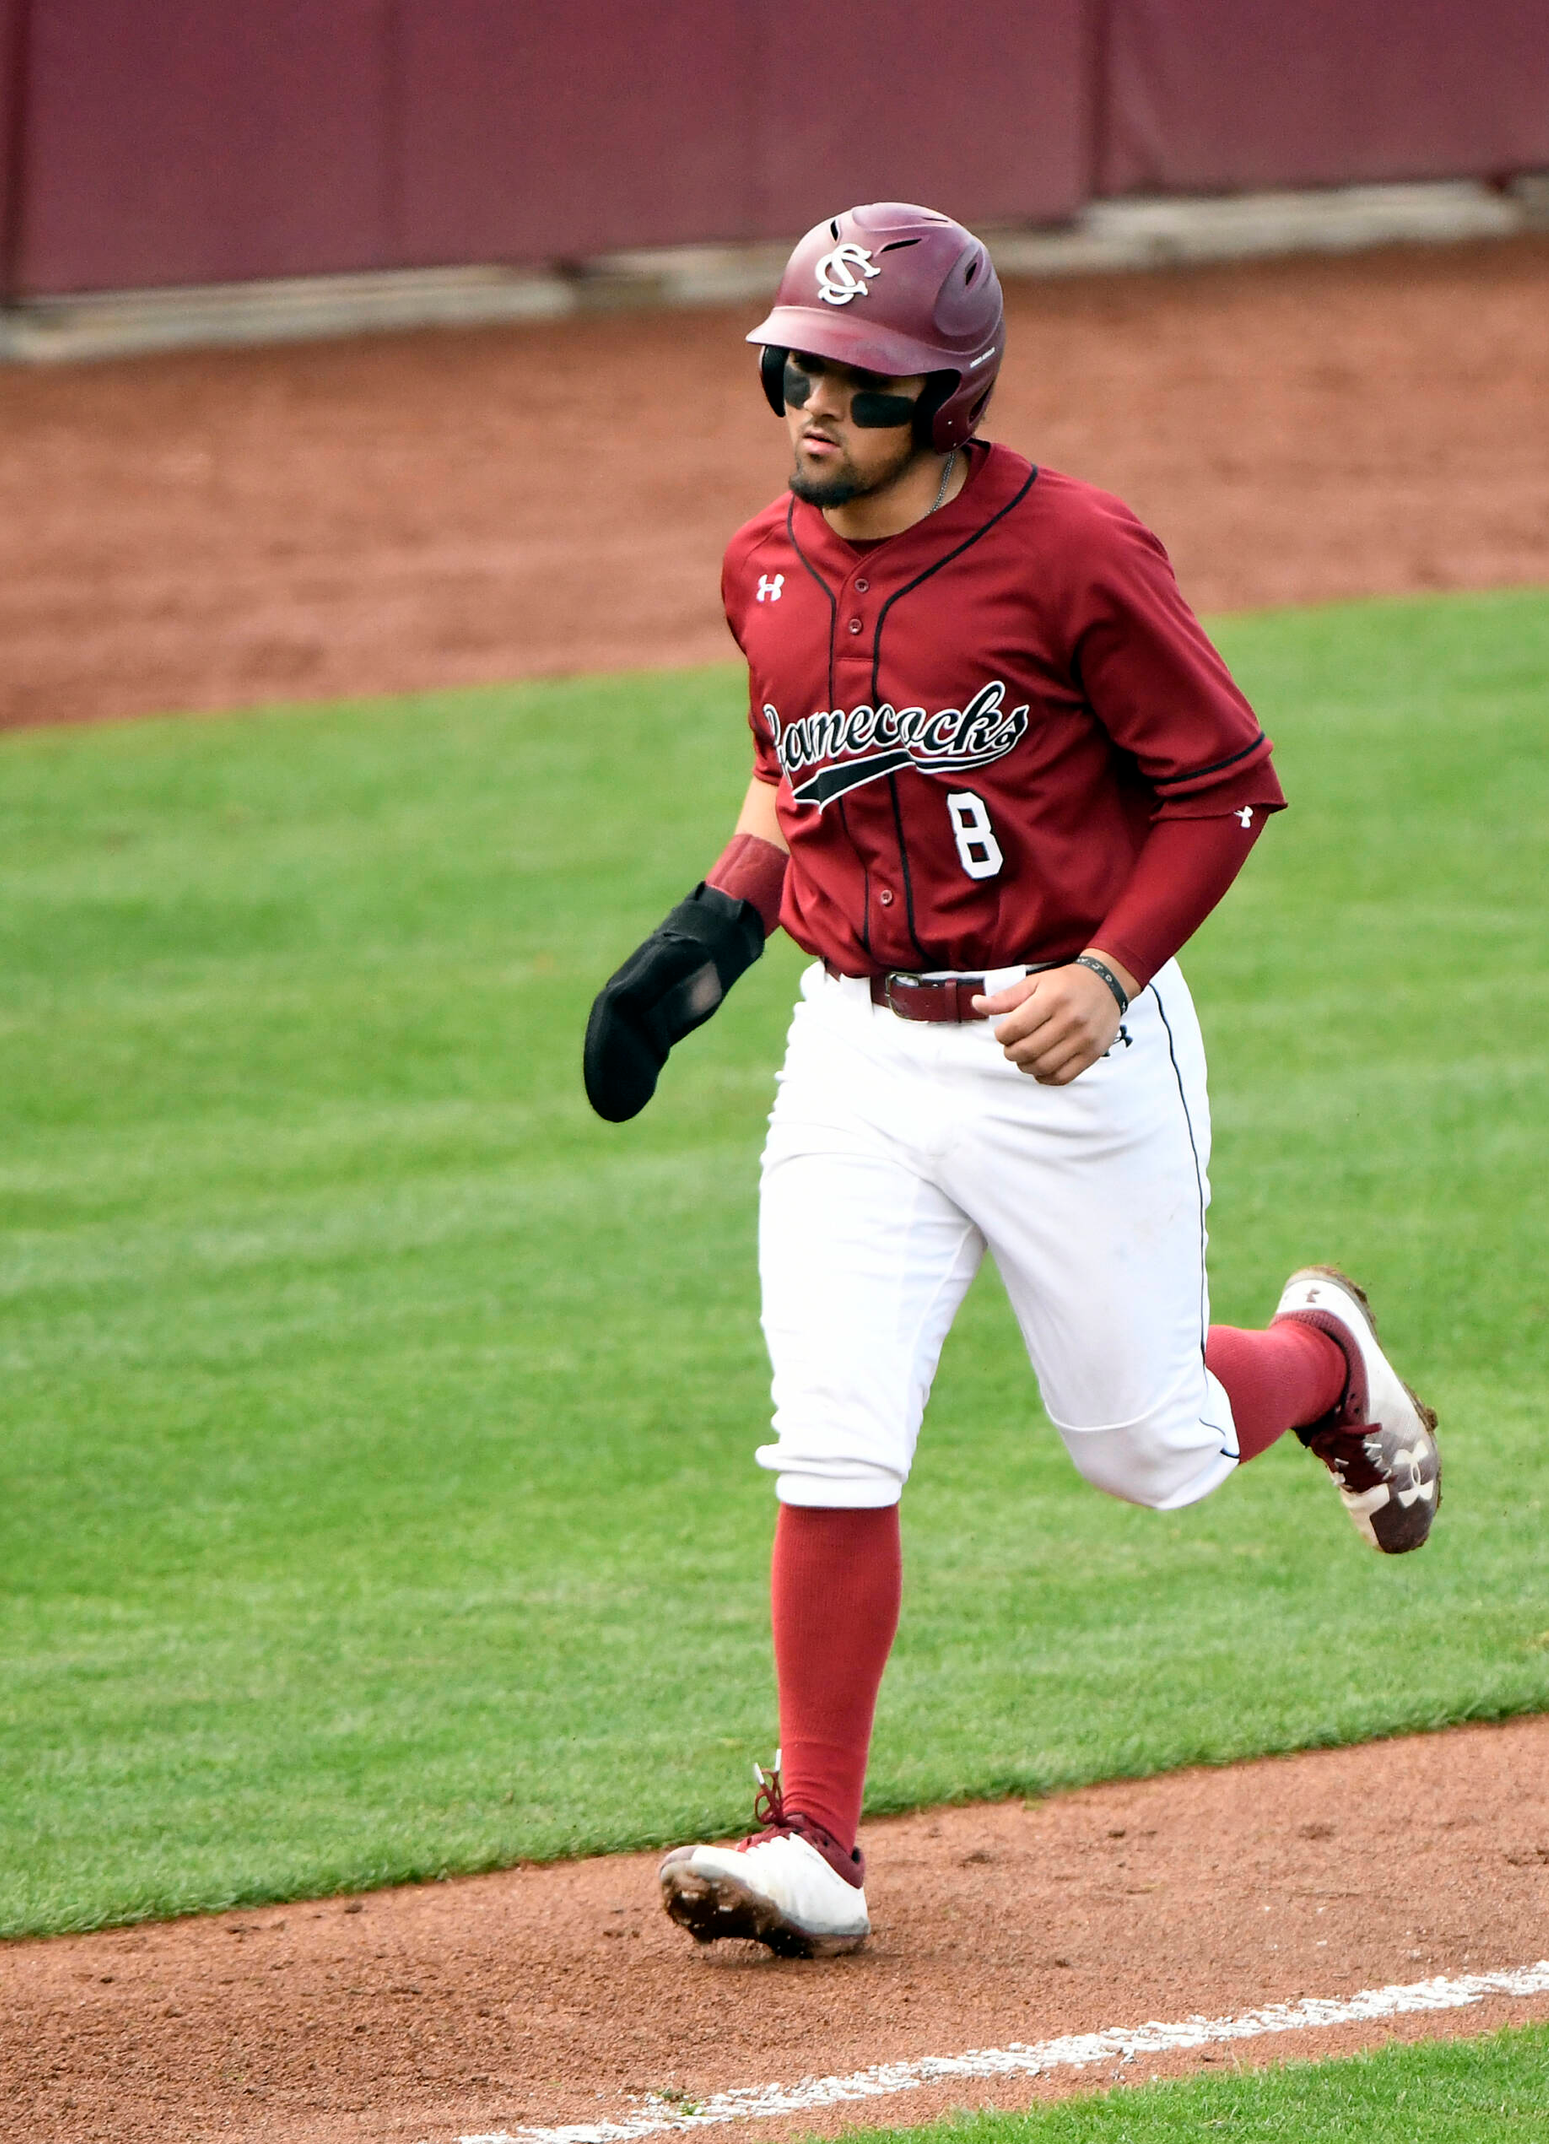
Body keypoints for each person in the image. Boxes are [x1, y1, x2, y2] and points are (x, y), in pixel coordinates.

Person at [584, 202, 1440, 1961]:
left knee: (1147, 1450)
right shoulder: (761, 564)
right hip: (854, 1057)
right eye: (793, 368)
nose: (816, 405)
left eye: (862, 384)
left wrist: (1111, 967)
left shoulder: (1074, 554)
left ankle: (1324, 1361)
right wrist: (706, 939)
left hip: (1070, 1051)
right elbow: (787, 788)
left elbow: (1222, 790)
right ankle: (813, 1836)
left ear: (949, 403)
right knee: (828, 1432)